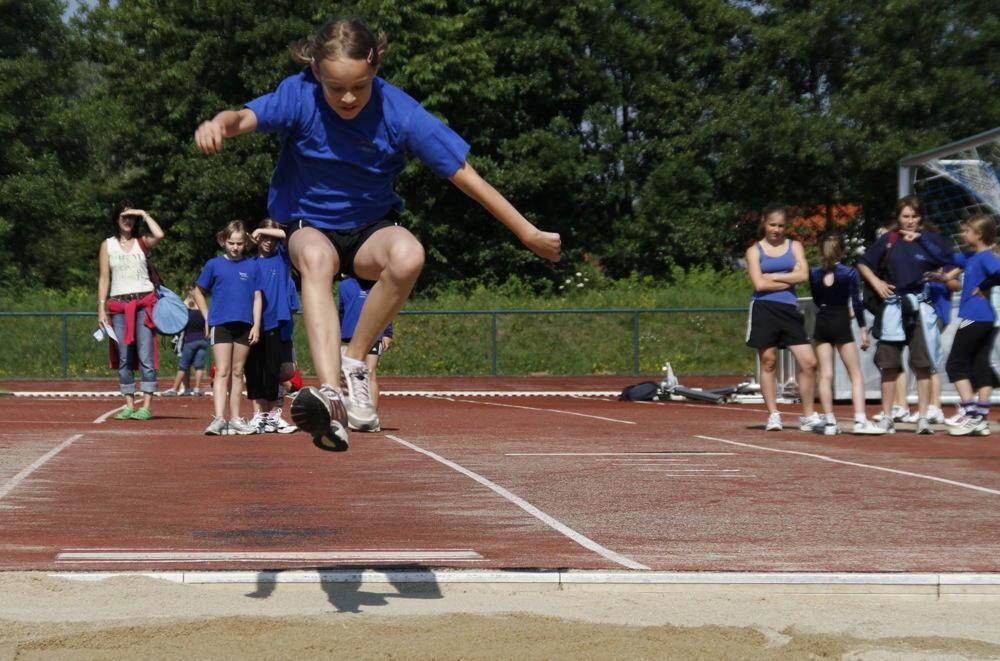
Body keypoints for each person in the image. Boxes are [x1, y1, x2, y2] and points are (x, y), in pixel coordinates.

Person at [194, 18, 560, 451]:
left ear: (375, 67)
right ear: (316, 72)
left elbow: (464, 175)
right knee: (316, 259)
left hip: (370, 230)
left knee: (409, 256)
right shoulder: (299, 94)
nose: (348, 98)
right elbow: (246, 116)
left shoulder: (399, 111)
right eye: (336, 88)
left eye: (360, 86)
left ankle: (356, 362)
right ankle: (330, 394)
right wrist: (220, 123)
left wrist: (527, 232)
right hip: (308, 225)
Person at [857, 195, 955, 434]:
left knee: (921, 364)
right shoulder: (888, 240)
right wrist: (877, 282)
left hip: (921, 308)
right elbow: (863, 263)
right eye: (906, 216)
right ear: (898, 217)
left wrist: (943, 277)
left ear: (921, 217)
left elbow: (952, 261)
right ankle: (888, 415)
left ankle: (923, 416)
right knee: (889, 364)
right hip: (893, 308)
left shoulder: (932, 240)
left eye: (914, 216)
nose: (910, 221)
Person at [745, 202, 820, 432]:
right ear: (764, 224)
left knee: (809, 362)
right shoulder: (754, 251)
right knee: (769, 361)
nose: (776, 230)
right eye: (772, 225)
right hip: (764, 309)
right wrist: (789, 275)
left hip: (789, 309)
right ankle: (773, 414)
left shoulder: (795, 246)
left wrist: (773, 276)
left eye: (781, 225)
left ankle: (807, 415)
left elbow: (804, 275)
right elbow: (758, 283)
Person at [808, 232, 882, 435]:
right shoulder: (849, 273)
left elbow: (816, 299)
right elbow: (856, 303)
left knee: (825, 375)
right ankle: (860, 419)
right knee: (855, 374)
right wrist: (863, 330)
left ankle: (830, 421)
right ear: (842, 250)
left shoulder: (814, 274)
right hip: (841, 320)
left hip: (822, 321)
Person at [96, 201, 165, 421]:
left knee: (145, 355)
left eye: (131, 217)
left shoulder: (142, 242)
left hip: (143, 304)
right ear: (116, 219)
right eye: (124, 216)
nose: (128, 220)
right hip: (118, 306)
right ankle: (128, 404)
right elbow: (104, 277)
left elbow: (160, 234)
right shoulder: (107, 245)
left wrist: (143, 213)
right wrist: (101, 308)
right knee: (124, 356)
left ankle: (146, 406)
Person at [194, 220, 262, 436]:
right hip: (221, 323)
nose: (235, 247)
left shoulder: (253, 265)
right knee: (222, 371)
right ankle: (219, 418)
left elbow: (257, 297)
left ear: (245, 243)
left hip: (244, 325)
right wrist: (207, 317)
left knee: (237, 372)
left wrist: (256, 325)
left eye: (240, 243)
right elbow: (197, 291)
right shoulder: (214, 264)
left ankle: (235, 418)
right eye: (232, 243)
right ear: (224, 241)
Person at [935, 214, 1000, 436]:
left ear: (978, 234)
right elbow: (948, 255)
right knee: (980, 366)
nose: (962, 234)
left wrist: (984, 285)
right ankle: (981, 418)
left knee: (955, 363)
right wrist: (922, 239)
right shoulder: (970, 257)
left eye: (966, 231)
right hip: (985, 318)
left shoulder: (985, 256)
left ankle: (971, 414)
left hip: (976, 317)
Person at [246, 220, 299, 434]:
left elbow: (290, 235)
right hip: (253, 324)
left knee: (276, 371)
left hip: (277, 322)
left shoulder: (282, 258)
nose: (268, 242)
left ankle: (275, 415)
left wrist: (260, 230)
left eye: (272, 238)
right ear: (257, 241)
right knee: (255, 371)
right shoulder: (249, 263)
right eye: (264, 238)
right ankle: (259, 415)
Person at [339, 276, 393, 425]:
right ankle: (351, 412)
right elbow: (341, 310)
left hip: (375, 333)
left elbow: (387, 309)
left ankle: (371, 416)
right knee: (350, 373)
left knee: (371, 372)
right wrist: (338, 332)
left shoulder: (380, 283)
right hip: (351, 333)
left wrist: (388, 333)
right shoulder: (344, 285)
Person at [162, 287, 210, 396]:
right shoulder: (203, 312)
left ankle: (174, 388)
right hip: (202, 340)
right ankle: (197, 388)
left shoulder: (186, 312)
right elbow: (208, 324)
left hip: (190, 341)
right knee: (199, 366)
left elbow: (178, 321)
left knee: (183, 366)